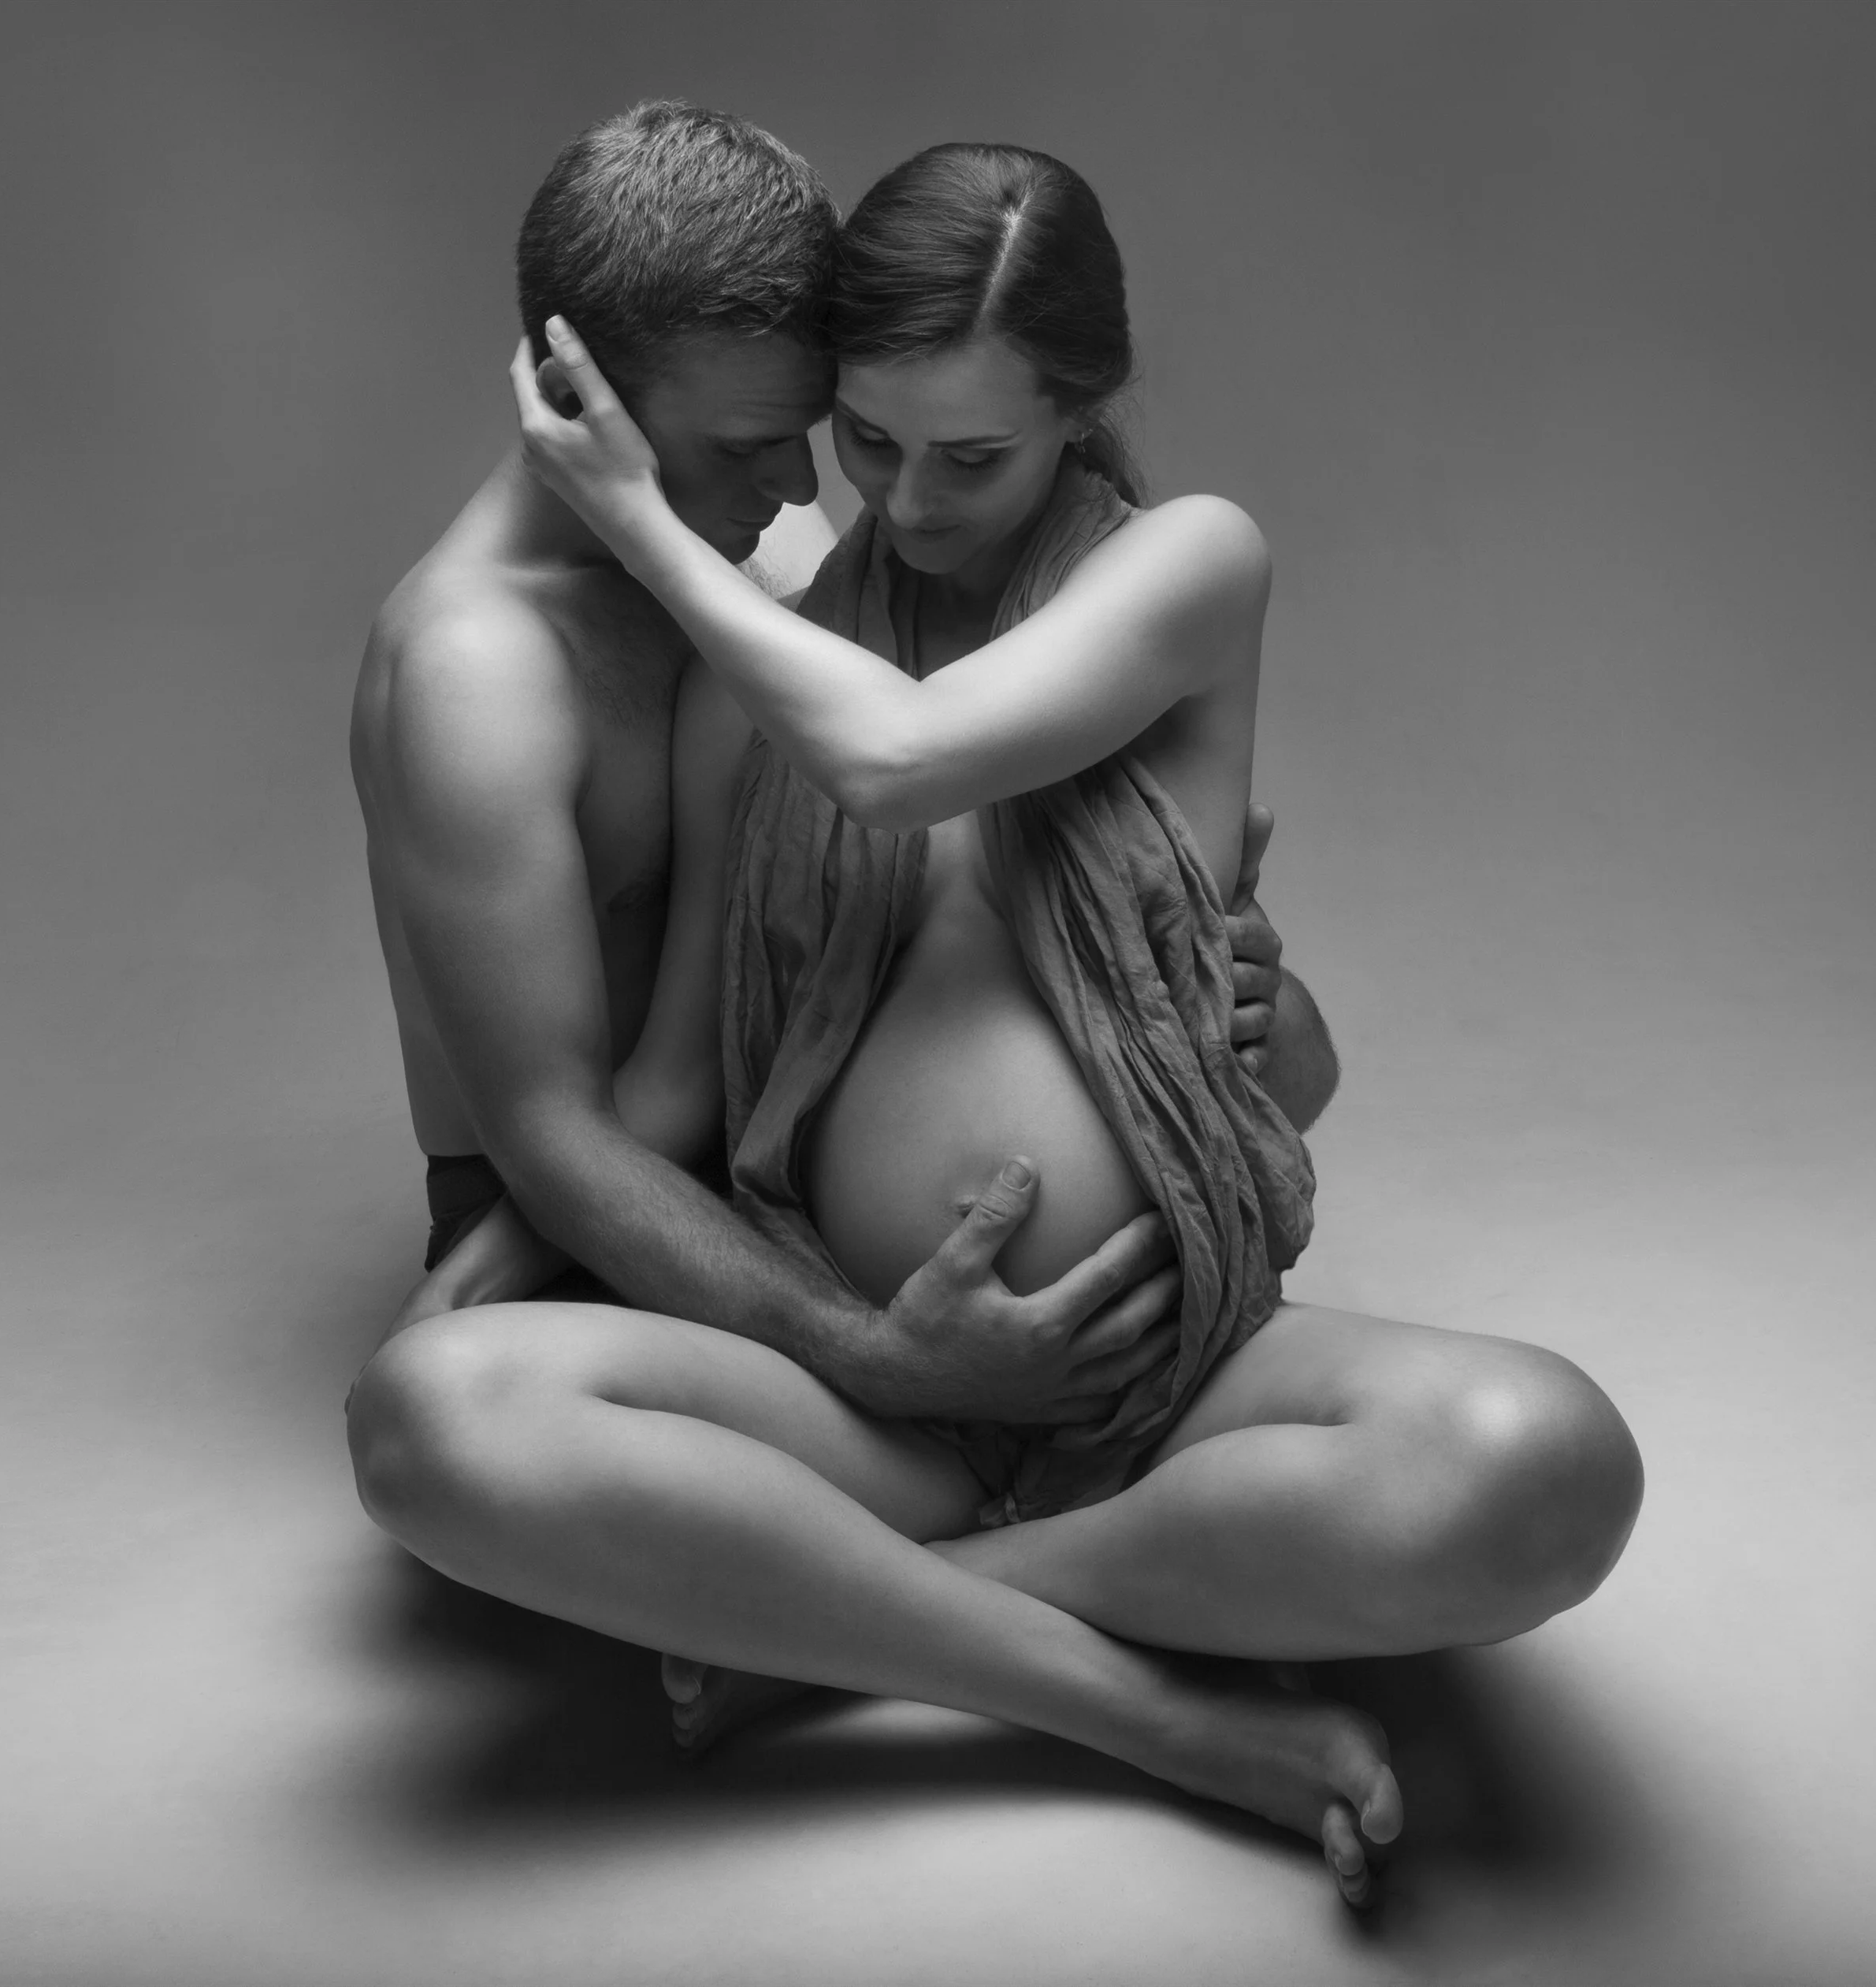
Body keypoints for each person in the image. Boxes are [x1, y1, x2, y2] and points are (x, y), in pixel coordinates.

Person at [347, 141, 1644, 1907]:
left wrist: (639, 521)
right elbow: (662, 1084)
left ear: (1075, 408)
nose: (905, 498)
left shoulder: (1181, 568)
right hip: (863, 1389)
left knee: (1544, 1467)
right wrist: (506, 1249)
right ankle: (1140, 1702)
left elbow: (905, 761)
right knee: (434, 1416)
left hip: (1162, 1369)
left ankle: (829, 1621)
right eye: (865, 442)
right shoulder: (764, 677)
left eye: (972, 455)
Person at [351, 102, 1324, 1418]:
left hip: (822, 1235)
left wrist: (1231, 991)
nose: (809, 486)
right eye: (749, 448)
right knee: (453, 1418)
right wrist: (878, 1357)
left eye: (822, 428)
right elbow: (573, 1132)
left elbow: (987, 910)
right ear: (575, 401)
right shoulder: (482, 663)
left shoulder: (797, 588)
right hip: (620, 1237)